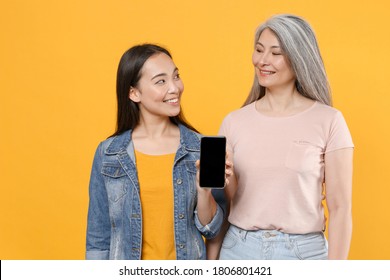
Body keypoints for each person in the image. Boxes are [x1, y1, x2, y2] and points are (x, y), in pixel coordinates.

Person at [217, 14, 354, 260]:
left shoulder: (329, 120)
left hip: (304, 253)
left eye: (275, 53)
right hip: (239, 250)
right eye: (259, 50)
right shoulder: (233, 122)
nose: (262, 60)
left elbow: (340, 208)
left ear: (299, 58)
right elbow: (229, 200)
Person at [86, 44, 228, 260]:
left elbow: (213, 230)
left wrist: (204, 191)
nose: (175, 88)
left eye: (176, 76)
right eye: (161, 81)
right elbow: (98, 237)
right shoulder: (108, 153)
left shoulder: (200, 149)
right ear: (134, 93)